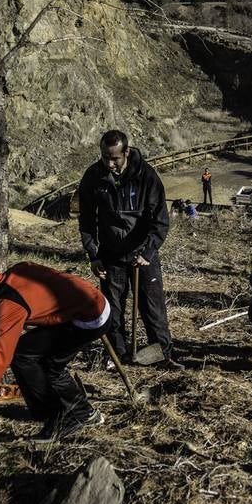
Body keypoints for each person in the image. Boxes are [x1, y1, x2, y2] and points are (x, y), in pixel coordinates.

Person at [0, 255, 110, 442]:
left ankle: (59, 419)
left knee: (46, 365)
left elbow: (0, 357)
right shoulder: (18, 271)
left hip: (89, 318)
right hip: (90, 304)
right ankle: (84, 413)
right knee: (26, 353)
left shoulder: (9, 305)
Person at [78, 129, 183, 369]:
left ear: (126, 152)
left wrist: (148, 252)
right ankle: (117, 355)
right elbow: (86, 219)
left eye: (114, 158)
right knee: (113, 308)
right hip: (110, 254)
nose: (109, 163)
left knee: (152, 306)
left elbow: (160, 220)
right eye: (105, 157)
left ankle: (163, 354)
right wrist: (93, 254)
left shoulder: (146, 176)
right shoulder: (94, 176)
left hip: (142, 254)